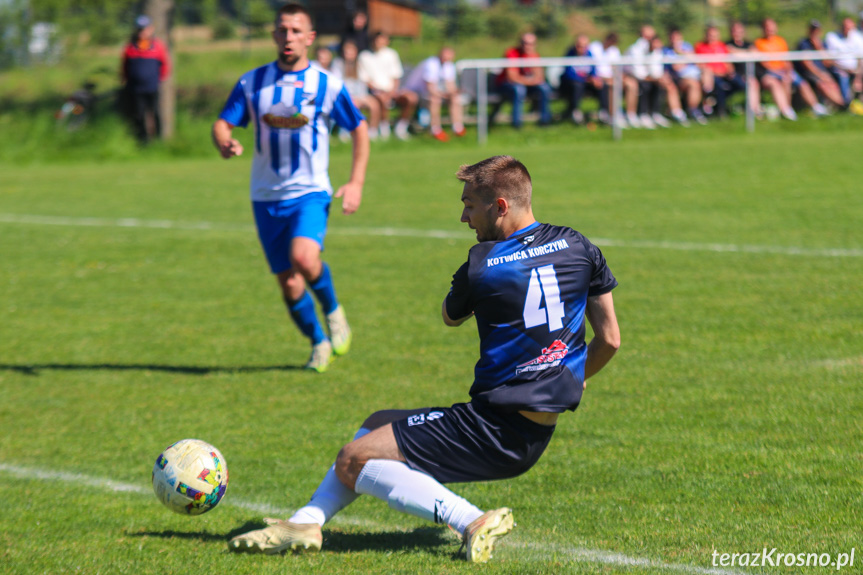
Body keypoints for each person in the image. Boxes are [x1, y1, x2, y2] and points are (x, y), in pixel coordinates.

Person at [226, 155, 621, 563]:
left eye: (470, 204)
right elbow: (609, 340)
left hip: (494, 426)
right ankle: (306, 521)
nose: (464, 216)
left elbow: (450, 316)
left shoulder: (482, 265)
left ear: (500, 206)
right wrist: (572, 372)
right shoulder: (579, 245)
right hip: (534, 428)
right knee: (376, 423)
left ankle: (471, 520)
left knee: (352, 457)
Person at [211, 3, 369, 372]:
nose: (288, 37)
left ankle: (333, 311)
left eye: (297, 31)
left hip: (310, 191)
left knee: (304, 258)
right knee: (290, 285)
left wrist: (356, 181)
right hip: (265, 196)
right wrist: (224, 140)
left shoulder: (327, 83)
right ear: (273, 35)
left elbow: (359, 128)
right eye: (283, 30)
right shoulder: (252, 82)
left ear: (310, 38)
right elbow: (224, 122)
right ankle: (318, 342)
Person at [754, 18, 828, 120]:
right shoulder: (759, 43)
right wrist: (780, 73)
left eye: (771, 26)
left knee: (802, 83)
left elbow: (787, 60)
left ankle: (815, 106)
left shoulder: (781, 41)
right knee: (782, 82)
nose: (770, 29)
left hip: (783, 71)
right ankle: (786, 110)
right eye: (767, 27)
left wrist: (788, 71)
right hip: (770, 73)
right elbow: (764, 64)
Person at [120, 15, 170, 143]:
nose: (142, 32)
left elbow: (164, 66)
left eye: (145, 29)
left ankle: (159, 141)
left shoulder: (157, 46)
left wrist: (159, 79)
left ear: (151, 29)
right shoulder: (130, 47)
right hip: (136, 89)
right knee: (139, 115)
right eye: (140, 29)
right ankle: (143, 141)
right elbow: (124, 67)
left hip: (152, 87)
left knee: (156, 113)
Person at [359, 32, 417, 140]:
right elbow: (365, 79)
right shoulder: (364, 56)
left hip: (392, 90)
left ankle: (401, 126)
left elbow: (396, 76)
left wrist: (392, 91)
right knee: (382, 98)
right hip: (374, 91)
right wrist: (380, 91)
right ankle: (384, 127)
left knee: (411, 98)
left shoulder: (392, 54)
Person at [401, 46, 466, 141]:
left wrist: (454, 92)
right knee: (435, 100)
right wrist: (444, 94)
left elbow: (450, 85)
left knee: (455, 99)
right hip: (415, 92)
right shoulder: (431, 64)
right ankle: (435, 129)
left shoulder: (448, 65)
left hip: (433, 92)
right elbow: (430, 87)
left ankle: (458, 128)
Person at [492, 33, 553, 128]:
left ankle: (545, 121)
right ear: (520, 43)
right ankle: (517, 124)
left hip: (526, 84)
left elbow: (540, 77)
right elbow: (512, 77)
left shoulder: (535, 55)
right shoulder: (512, 53)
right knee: (519, 89)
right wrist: (530, 81)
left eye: (531, 44)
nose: (527, 46)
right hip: (506, 85)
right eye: (525, 43)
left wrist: (531, 59)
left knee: (544, 88)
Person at [331, 38, 382, 140]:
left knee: (374, 104)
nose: (349, 54)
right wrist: (351, 97)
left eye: (351, 51)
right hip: (344, 96)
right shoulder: (338, 64)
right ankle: (346, 129)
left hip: (360, 94)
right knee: (352, 104)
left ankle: (372, 132)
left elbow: (365, 81)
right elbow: (337, 84)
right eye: (347, 51)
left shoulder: (360, 64)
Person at [794, 20, 845, 109]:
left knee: (833, 84)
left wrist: (819, 48)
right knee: (823, 84)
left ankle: (841, 104)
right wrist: (821, 75)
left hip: (823, 72)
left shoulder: (822, 44)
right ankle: (842, 106)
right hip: (810, 73)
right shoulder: (804, 44)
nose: (814, 32)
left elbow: (827, 62)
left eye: (816, 30)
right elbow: (807, 64)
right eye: (812, 30)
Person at [666, 28, 707, 124]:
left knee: (706, 74)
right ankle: (691, 110)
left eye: (677, 37)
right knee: (693, 84)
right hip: (678, 78)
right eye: (672, 37)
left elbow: (696, 60)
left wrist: (681, 53)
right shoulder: (666, 50)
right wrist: (686, 60)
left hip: (694, 75)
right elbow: (676, 67)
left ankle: (706, 101)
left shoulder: (687, 46)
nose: (675, 40)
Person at [559, 34, 602, 125]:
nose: (581, 48)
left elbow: (593, 70)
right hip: (571, 84)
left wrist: (594, 79)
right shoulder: (570, 55)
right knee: (577, 85)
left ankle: (604, 111)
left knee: (602, 85)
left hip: (586, 83)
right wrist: (586, 79)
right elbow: (568, 73)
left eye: (584, 46)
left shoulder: (590, 55)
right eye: (579, 46)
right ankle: (575, 110)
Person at [724, 21, 765, 118]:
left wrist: (740, 52)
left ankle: (756, 109)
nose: (737, 33)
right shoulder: (727, 44)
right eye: (734, 31)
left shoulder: (749, 43)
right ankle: (754, 111)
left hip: (752, 73)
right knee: (752, 82)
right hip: (735, 75)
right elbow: (731, 51)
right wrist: (747, 52)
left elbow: (756, 53)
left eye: (739, 31)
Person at [824, 17, 863, 107]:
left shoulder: (857, 37)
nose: (847, 30)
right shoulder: (832, 37)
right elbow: (829, 59)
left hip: (855, 70)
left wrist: (858, 76)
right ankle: (846, 103)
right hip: (838, 69)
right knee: (843, 76)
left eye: (849, 28)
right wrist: (845, 69)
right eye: (845, 27)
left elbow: (860, 58)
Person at [587, 32, 621, 125]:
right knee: (608, 85)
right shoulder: (593, 47)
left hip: (610, 78)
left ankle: (615, 113)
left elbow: (616, 68)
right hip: (595, 78)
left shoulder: (614, 50)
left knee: (619, 83)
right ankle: (608, 112)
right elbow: (591, 67)